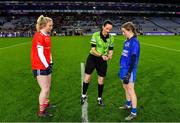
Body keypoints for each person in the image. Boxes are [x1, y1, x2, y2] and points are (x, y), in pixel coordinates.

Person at [81, 20, 114, 106]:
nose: (108, 31)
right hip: (93, 58)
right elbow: (93, 49)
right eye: (107, 28)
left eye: (110, 29)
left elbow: (111, 50)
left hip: (103, 60)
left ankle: (99, 98)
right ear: (103, 26)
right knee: (87, 77)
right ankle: (83, 95)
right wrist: (101, 55)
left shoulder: (111, 38)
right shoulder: (95, 35)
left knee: (101, 79)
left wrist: (110, 55)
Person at [31, 15, 56, 117]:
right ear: (43, 25)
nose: (51, 27)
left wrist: (50, 62)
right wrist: (47, 65)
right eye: (50, 25)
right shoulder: (38, 36)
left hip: (46, 65)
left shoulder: (47, 36)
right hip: (39, 66)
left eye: (52, 25)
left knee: (48, 87)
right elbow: (40, 54)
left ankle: (46, 104)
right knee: (45, 89)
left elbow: (47, 51)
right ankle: (41, 112)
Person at [119, 22, 140, 121]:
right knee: (125, 88)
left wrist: (129, 73)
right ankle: (128, 104)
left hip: (129, 69)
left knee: (131, 90)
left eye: (124, 31)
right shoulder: (126, 41)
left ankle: (134, 112)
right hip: (123, 68)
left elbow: (133, 58)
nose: (123, 33)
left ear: (130, 30)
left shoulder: (134, 42)